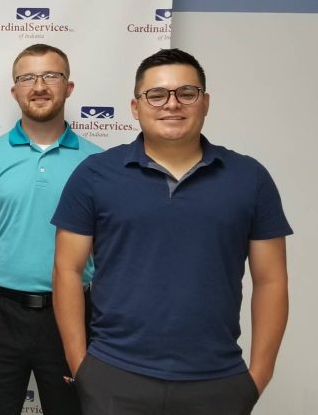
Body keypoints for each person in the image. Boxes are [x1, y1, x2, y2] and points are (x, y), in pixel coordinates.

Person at [52, 48, 291, 415]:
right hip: (114, 375)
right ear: (136, 106)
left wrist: (257, 377)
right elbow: (67, 271)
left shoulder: (250, 178)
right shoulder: (94, 175)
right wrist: (82, 366)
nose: (172, 104)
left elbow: (271, 280)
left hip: (218, 382)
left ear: (205, 102)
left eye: (187, 93)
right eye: (157, 95)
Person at [0, 44, 100, 414]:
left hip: (70, 315)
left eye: (51, 75)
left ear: (69, 87)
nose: (39, 86)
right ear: (15, 91)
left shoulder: (98, 163)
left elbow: (108, 246)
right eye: (27, 78)